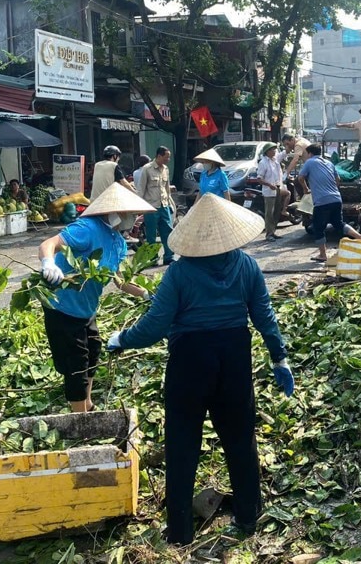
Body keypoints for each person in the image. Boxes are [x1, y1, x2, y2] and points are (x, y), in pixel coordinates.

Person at [105, 194, 293, 545]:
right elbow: (264, 317)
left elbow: (155, 327)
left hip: (190, 361)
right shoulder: (247, 266)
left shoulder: (179, 273)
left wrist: (121, 339)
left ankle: (180, 532)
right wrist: (278, 357)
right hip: (234, 359)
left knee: (182, 443)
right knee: (240, 439)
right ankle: (248, 517)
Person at [37, 183, 154, 412]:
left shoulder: (118, 241)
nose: (131, 218)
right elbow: (48, 244)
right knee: (76, 365)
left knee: (93, 352)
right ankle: (80, 419)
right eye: (128, 213)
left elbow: (120, 281)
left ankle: (87, 404)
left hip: (86, 309)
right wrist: (48, 263)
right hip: (62, 307)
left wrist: (146, 294)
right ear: (113, 211)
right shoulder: (87, 229)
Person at [298, 143, 361, 263]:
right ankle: (360, 237)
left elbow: (300, 177)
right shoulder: (329, 163)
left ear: (310, 153)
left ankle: (323, 255)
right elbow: (338, 180)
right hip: (336, 198)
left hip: (322, 201)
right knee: (338, 223)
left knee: (318, 228)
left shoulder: (310, 162)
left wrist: (305, 189)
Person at [139, 146, 176, 266]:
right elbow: (141, 189)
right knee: (151, 235)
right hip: (151, 207)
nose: (168, 160)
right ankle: (153, 258)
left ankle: (169, 256)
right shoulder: (147, 169)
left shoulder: (165, 169)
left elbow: (167, 188)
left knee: (168, 231)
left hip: (164, 205)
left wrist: (170, 203)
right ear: (159, 156)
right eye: (166, 157)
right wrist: (140, 207)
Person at [256, 142, 283, 241]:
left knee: (276, 212)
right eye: (273, 150)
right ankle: (269, 234)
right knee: (269, 213)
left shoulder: (274, 161)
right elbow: (259, 178)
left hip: (277, 188)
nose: (275, 151)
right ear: (267, 151)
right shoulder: (263, 163)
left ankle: (273, 231)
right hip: (269, 191)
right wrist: (269, 185)